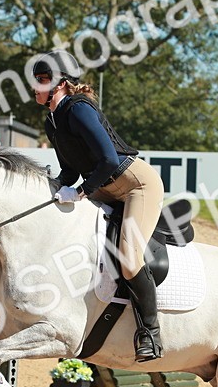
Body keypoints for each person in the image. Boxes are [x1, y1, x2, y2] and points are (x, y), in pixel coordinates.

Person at [31, 49, 166, 362]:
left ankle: (150, 333)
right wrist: (54, 188)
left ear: (61, 83)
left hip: (135, 186)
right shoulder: (52, 120)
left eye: (42, 80)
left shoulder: (78, 109)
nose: (35, 87)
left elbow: (107, 159)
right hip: (104, 188)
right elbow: (70, 169)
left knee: (130, 259)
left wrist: (78, 192)